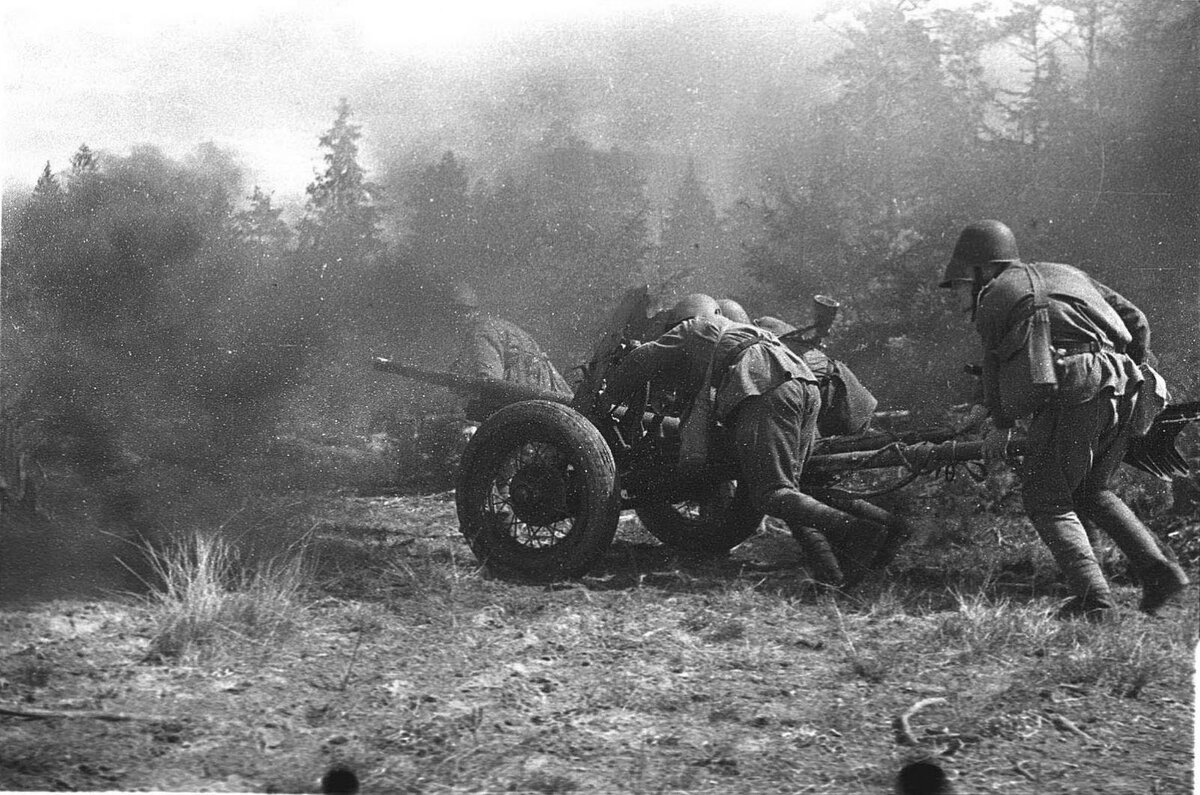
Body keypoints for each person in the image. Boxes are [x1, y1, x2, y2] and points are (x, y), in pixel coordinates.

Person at [940, 219, 1188, 617]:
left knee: (1045, 497)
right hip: (1126, 380)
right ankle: (1160, 572)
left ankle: (1095, 602)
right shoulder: (1067, 273)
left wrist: (1000, 425)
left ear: (981, 269)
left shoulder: (993, 297)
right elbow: (1137, 320)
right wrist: (1131, 369)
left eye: (962, 282)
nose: (958, 293)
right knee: (1093, 490)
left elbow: (993, 368)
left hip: (1078, 385)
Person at [601, 293, 887, 586]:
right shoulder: (737, 336)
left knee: (771, 494)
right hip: (803, 387)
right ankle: (836, 575)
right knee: (794, 490)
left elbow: (642, 358)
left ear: (683, 320)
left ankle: (856, 531)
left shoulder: (694, 328)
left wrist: (605, 397)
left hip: (768, 386)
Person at [448, 282, 572, 397]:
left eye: (455, 312)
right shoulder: (492, 325)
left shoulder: (481, 331)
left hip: (530, 391)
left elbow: (489, 379)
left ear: (461, 312)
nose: (453, 320)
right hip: (543, 388)